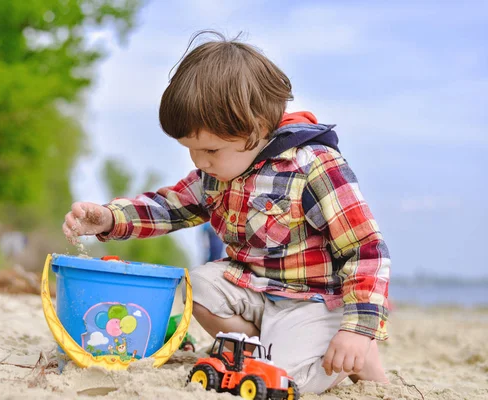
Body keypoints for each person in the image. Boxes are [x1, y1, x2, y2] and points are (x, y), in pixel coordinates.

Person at [63, 31, 390, 394]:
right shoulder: (217, 174)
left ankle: (358, 354)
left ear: (257, 128)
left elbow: (364, 249)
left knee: (285, 382)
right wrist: (110, 218)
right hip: (255, 289)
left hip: (312, 301)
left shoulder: (313, 166)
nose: (201, 162)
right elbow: (170, 207)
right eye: (192, 150)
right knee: (199, 285)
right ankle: (266, 348)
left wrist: (356, 328)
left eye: (211, 150)